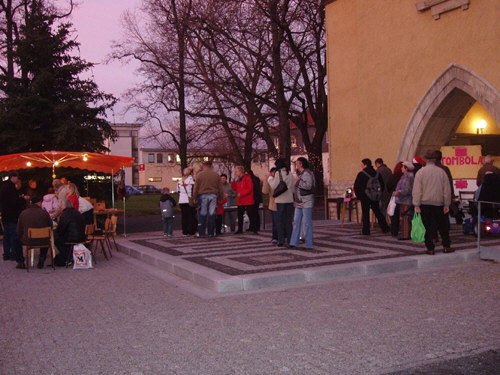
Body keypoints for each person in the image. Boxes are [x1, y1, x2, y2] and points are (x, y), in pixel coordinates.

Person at [412, 150, 453, 255]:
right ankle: (446, 246)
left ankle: (430, 248)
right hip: (439, 203)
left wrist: (416, 204)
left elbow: (417, 190)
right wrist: (447, 203)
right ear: (434, 160)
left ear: (425, 160)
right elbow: (446, 189)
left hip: (424, 203)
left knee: (426, 226)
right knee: (442, 226)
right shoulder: (441, 172)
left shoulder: (420, 172)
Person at [354, 159, 390, 235]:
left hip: (365, 197)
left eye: (362, 164)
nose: (361, 166)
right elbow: (382, 185)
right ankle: (385, 228)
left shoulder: (361, 174)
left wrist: (360, 196)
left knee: (365, 213)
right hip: (375, 196)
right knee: (377, 212)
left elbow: (356, 186)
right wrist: (378, 194)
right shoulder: (377, 173)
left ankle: (366, 230)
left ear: (365, 165)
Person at [17, 196, 53, 269]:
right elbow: (50, 226)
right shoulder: (44, 213)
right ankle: (42, 258)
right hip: (43, 240)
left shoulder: (23, 213)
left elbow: (19, 230)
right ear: (39, 203)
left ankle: (20, 262)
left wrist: (22, 236)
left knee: (16, 241)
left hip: (29, 240)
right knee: (46, 239)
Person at [289, 157, 315, 250]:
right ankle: (293, 242)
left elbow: (308, 186)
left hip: (306, 201)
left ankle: (309, 244)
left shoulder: (307, 173)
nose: (296, 165)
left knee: (307, 223)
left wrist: (298, 181)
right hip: (298, 201)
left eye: (298, 163)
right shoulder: (300, 174)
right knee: (296, 222)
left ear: (301, 164)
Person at [0, 171, 26, 267]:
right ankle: (13, 254)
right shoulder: (10, 187)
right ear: (13, 177)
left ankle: (6, 254)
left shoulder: (4, 187)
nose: (18, 180)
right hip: (12, 215)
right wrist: (22, 199)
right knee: (13, 235)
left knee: (6, 235)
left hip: (5, 215)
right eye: (17, 178)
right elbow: (14, 202)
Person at [267, 159, 295, 246]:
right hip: (289, 200)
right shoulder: (289, 173)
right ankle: (290, 240)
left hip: (280, 200)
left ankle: (281, 240)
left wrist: (270, 178)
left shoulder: (278, 173)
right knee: (288, 221)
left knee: (279, 221)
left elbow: (274, 185)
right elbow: (293, 188)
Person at [192, 161, 223, 237]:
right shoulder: (216, 175)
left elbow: (196, 188)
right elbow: (220, 188)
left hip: (202, 196)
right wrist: (220, 197)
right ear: (211, 166)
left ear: (204, 166)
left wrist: (194, 197)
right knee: (212, 215)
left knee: (202, 215)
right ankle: (211, 233)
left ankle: (201, 233)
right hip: (213, 196)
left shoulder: (199, 175)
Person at [54, 200, 86, 266]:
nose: (60, 207)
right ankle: (68, 255)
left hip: (72, 238)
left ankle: (67, 255)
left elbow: (61, 229)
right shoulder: (77, 212)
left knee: (55, 237)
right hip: (82, 237)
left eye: (60, 206)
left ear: (64, 206)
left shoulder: (65, 214)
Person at [393, 161, 414, 240]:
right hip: (403, 200)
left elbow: (407, 190)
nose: (401, 168)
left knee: (405, 218)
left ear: (406, 168)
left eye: (403, 167)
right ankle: (406, 233)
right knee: (405, 217)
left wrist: (398, 193)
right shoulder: (405, 176)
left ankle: (405, 235)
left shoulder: (408, 177)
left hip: (406, 200)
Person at [231, 166, 256, 234]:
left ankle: (254, 228)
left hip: (247, 199)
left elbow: (250, 188)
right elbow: (234, 188)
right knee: (240, 215)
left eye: (236, 171)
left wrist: (241, 193)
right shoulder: (238, 179)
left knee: (251, 214)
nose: (235, 173)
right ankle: (240, 229)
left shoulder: (247, 178)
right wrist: (233, 181)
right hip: (241, 200)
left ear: (240, 171)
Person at [177, 167, 197, 236]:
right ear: (191, 173)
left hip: (181, 200)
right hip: (189, 200)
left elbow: (178, 191)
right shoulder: (192, 181)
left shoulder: (180, 181)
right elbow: (194, 191)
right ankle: (191, 231)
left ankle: (185, 231)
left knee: (184, 216)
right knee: (191, 216)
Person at [387, 162, 404, 237]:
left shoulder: (393, 176)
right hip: (403, 198)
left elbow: (388, 186)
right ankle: (405, 230)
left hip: (394, 197)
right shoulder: (404, 177)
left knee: (394, 215)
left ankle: (394, 231)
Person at [262, 168, 278, 244]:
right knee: (275, 222)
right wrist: (266, 180)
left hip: (281, 202)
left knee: (282, 221)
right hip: (273, 203)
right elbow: (264, 191)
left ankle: (283, 236)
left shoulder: (279, 179)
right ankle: (275, 237)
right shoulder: (270, 180)